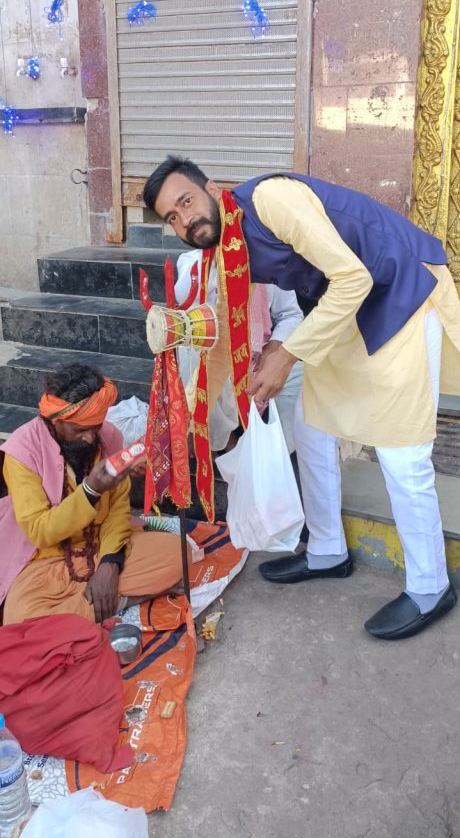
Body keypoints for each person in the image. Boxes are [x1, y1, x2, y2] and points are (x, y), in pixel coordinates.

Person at [143, 155, 460, 641]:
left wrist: (286, 354)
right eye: (172, 218)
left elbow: (353, 277)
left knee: (402, 453)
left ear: (211, 188)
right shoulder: (221, 252)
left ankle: (430, 587)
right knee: (312, 429)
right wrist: (192, 418)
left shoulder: (270, 199)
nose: (185, 220)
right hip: (344, 313)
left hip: (401, 292)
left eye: (186, 202)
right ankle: (328, 550)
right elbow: (223, 343)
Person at [0, 364, 187, 625]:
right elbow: (40, 531)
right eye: (79, 431)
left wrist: (109, 565)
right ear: (56, 420)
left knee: (179, 554)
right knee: (20, 617)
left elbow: (117, 511)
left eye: (95, 427)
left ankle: (87, 608)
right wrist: (90, 491)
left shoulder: (108, 436)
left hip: (99, 547)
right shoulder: (22, 452)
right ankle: (118, 602)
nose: (89, 438)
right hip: (44, 559)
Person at [174, 246, 304, 453]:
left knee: (300, 376)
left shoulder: (269, 261)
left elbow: (291, 315)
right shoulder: (193, 260)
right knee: (199, 361)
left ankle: (273, 454)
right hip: (217, 357)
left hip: (257, 356)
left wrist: (274, 351)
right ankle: (222, 445)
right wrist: (217, 260)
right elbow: (183, 294)